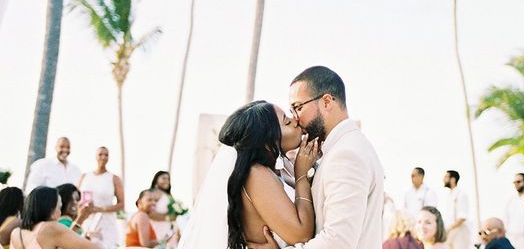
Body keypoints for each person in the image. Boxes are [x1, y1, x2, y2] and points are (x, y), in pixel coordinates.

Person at [248, 65, 386, 249]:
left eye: (298, 107)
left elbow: (338, 241)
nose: (295, 118)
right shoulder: (341, 148)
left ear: (327, 102)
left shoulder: (346, 154)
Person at [177, 100, 319, 248]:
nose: (295, 120)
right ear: (266, 141)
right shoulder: (256, 174)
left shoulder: (269, 173)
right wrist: (301, 175)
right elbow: (301, 235)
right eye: (287, 122)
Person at [8, 186, 101, 249]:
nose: (60, 213)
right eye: (59, 208)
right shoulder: (50, 228)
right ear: (51, 210)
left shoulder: (16, 232)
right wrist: (95, 238)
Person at [78, 147, 123, 249]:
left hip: (106, 223)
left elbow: (121, 204)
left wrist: (99, 209)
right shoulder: (85, 176)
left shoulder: (114, 178)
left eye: (106, 155)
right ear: (95, 156)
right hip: (86, 219)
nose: (103, 157)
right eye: (100, 154)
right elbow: (76, 198)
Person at [442, 170, 471, 249]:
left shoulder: (461, 195)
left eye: (446, 177)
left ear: (453, 179)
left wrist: (449, 229)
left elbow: (462, 218)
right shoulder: (450, 195)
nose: (443, 179)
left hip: (460, 232)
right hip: (451, 232)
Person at [148, 171, 175, 243]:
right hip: (156, 230)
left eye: (168, 179)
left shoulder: (168, 195)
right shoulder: (153, 193)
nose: (167, 181)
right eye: (164, 178)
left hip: (167, 232)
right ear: (156, 179)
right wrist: (168, 217)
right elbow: (149, 213)